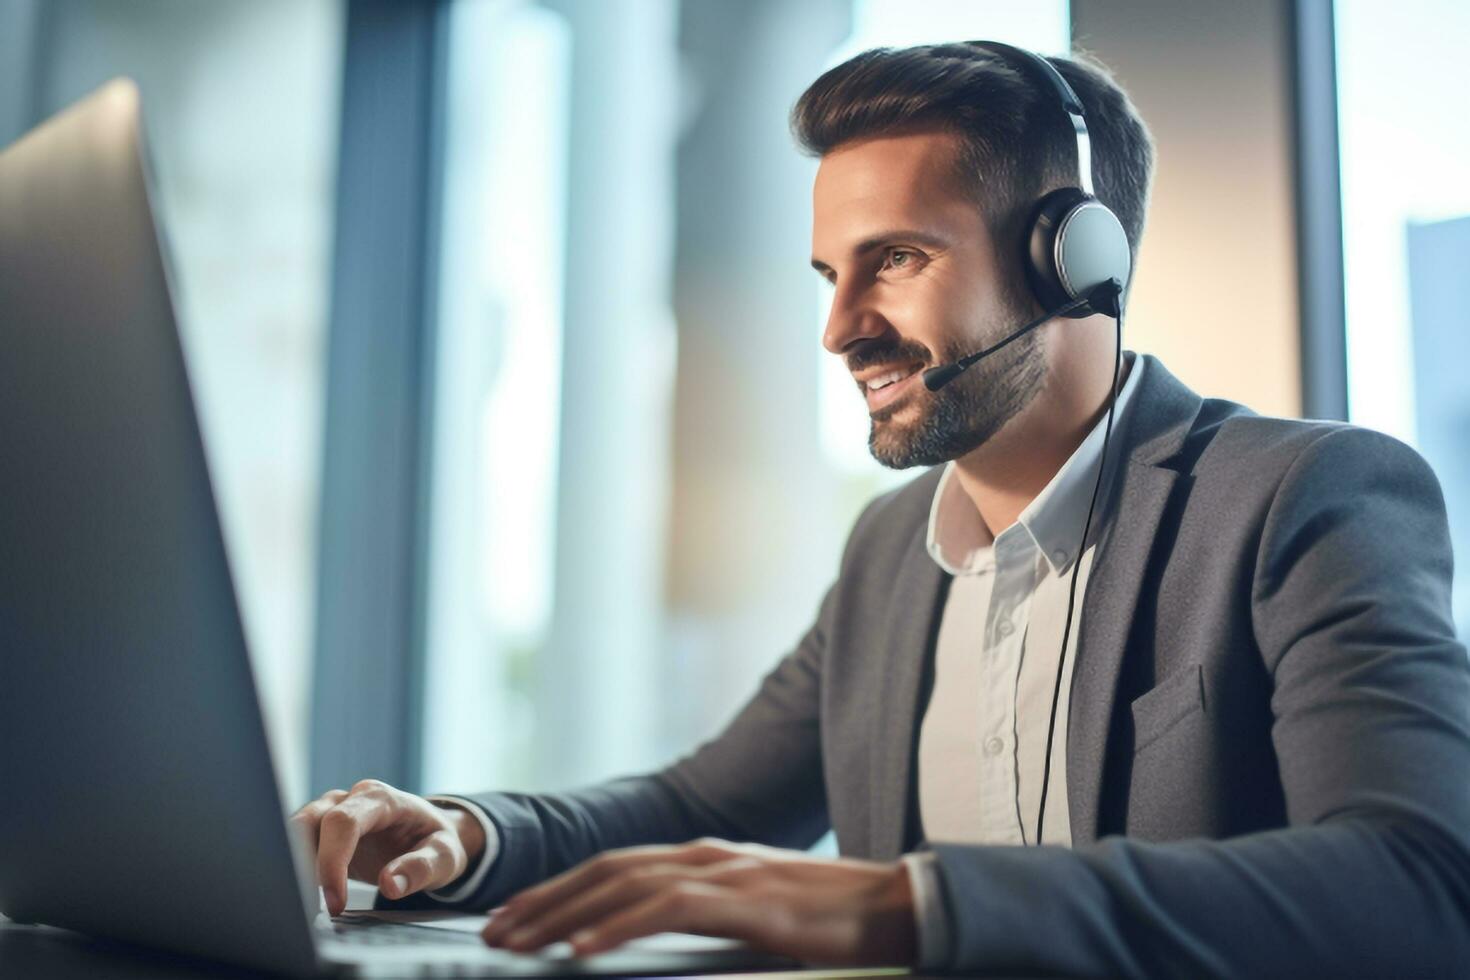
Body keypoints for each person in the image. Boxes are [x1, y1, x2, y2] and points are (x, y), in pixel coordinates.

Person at [293, 42, 1470, 976]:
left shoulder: (1301, 497)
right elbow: (701, 806)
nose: (839, 325)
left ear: (1074, 258)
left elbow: (1418, 879)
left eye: (895, 257)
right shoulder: (890, 550)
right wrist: (462, 834)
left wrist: (912, 902)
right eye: (828, 274)